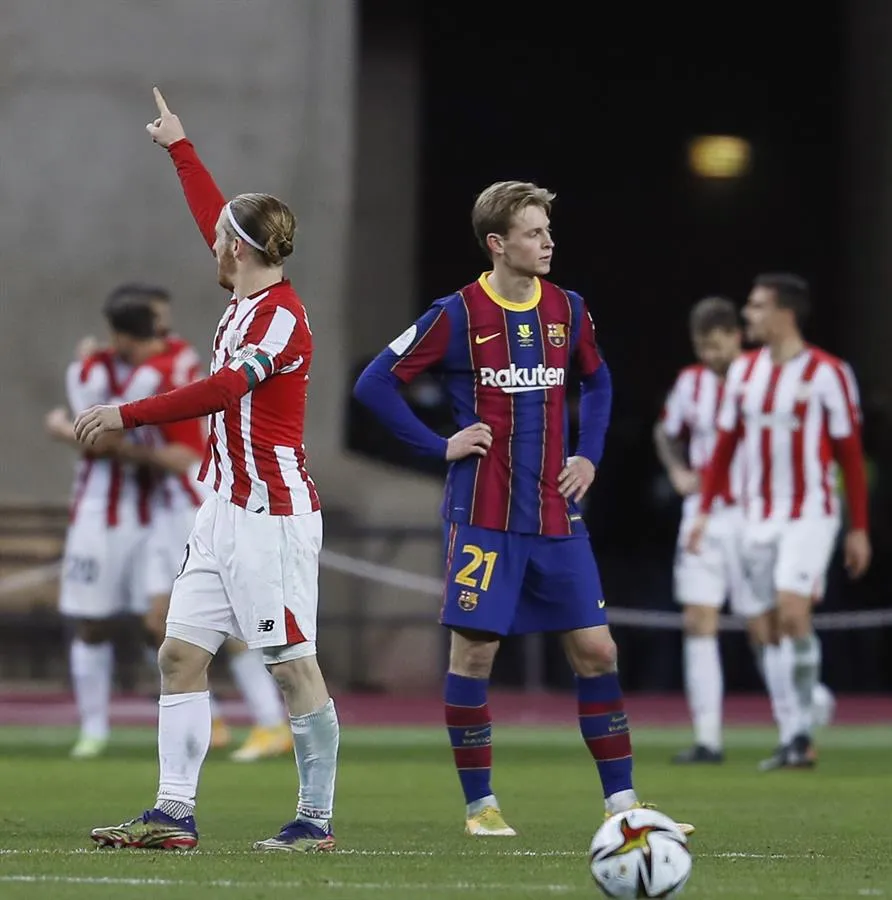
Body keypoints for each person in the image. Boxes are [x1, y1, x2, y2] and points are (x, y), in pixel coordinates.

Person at [353, 180, 694, 837]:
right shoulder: (454, 315)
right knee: (474, 656)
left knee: (597, 650)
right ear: (498, 243)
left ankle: (624, 807)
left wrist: (589, 455)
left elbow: (598, 379)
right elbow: (375, 383)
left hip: (557, 519)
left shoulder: (568, 308)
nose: (548, 242)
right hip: (482, 517)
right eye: (535, 233)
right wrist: (438, 447)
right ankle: (481, 807)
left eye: (547, 231)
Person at [74, 88, 338, 852]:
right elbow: (214, 216)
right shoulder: (245, 291)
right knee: (181, 653)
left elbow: (226, 390)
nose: (210, 241)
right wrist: (179, 147)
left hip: (274, 512)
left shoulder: (280, 316)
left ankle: (314, 822)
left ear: (241, 249)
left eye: (221, 237)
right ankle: (173, 814)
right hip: (222, 509)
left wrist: (130, 411)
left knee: (290, 664)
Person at [65, 286, 294, 761]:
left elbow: (179, 452)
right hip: (169, 510)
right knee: (162, 622)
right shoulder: (179, 360)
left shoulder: (160, 372)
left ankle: (271, 721)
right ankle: (211, 722)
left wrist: (80, 425)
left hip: (191, 504)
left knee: (223, 621)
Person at [688, 273, 871, 770]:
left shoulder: (829, 373)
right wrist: (704, 511)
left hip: (810, 512)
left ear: (783, 313)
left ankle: (803, 731)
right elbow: (724, 449)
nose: (748, 316)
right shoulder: (746, 372)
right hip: (754, 516)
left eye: (756, 306)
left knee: (793, 612)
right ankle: (794, 732)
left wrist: (859, 528)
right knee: (764, 628)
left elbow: (850, 456)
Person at [656, 296, 834, 765]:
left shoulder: (760, 378)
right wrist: (678, 471)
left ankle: (794, 729)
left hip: (752, 514)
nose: (708, 357)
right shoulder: (690, 383)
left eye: (715, 345)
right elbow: (666, 430)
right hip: (703, 514)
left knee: (765, 628)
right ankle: (708, 739)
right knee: (698, 620)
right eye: (701, 348)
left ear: (736, 336)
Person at [47, 289, 187, 759]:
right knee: (92, 623)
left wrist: (63, 430)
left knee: (163, 623)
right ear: (123, 335)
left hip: (158, 514)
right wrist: (81, 434)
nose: (164, 336)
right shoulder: (86, 371)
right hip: (98, 516)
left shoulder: (162, 367)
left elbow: (102, 436)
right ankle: (94, 727)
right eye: (156, 327)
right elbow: (101, 441)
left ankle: (185, 726)